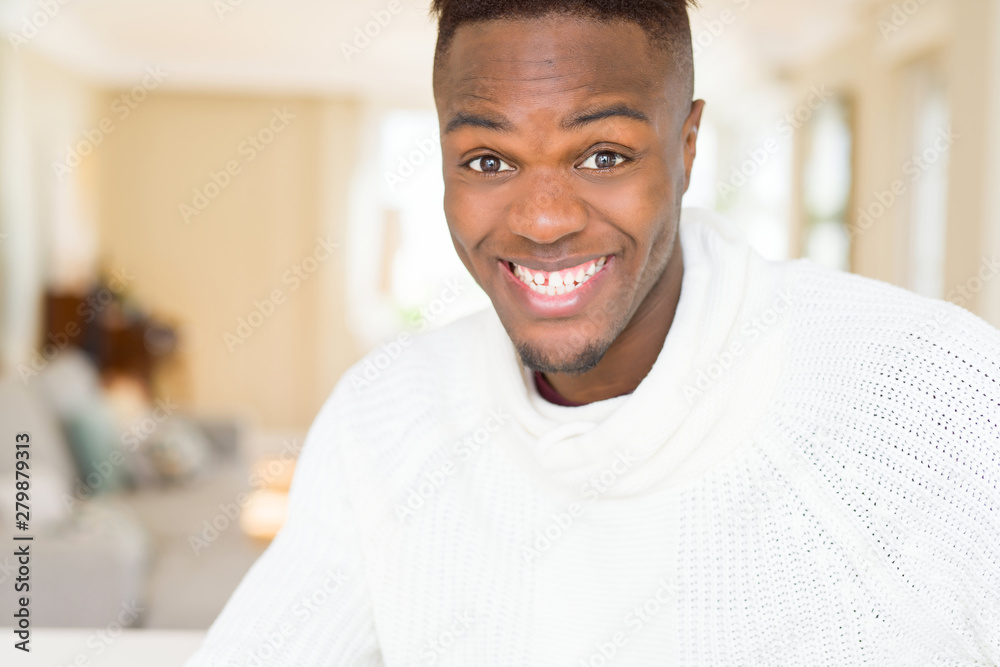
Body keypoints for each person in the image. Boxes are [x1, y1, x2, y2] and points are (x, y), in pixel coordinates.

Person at [187, 1, 1000, 664]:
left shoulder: (927, 390)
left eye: (604, 155)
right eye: (488, 160)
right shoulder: (385, 415)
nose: (543, 220)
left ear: (686, 147)